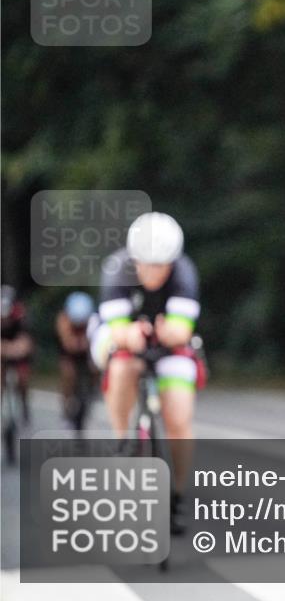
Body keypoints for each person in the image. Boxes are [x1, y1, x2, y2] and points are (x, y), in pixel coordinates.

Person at [95, 212, 203, 534]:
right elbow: (117, 331)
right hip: (126, 338)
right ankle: (122, 438)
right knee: (121, 365)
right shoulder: (117, 269)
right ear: (135, 259)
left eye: (162, 265)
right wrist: (131, 335)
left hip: (168, 343)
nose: (155, 272)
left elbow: (181, 330)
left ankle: (178, 494)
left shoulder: (184, 271)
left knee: (179, 417)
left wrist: (169, 333)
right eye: (147, 265)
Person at [55, 291, 97, 429]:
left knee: (95, 368)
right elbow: (68, 343)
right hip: (69, 355)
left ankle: (92, 391)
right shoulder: (63, 319)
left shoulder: (92, 320)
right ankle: (66, 407)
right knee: (68, 374)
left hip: (87, 354)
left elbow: (94, 341)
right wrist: (80, 343)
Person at [1, 285, 34, 424]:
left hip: (18, 351)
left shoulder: (20, 315)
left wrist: (14, 349)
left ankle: (24, 403)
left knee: (23, 378)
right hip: (5, 351)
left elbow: (26, 342)